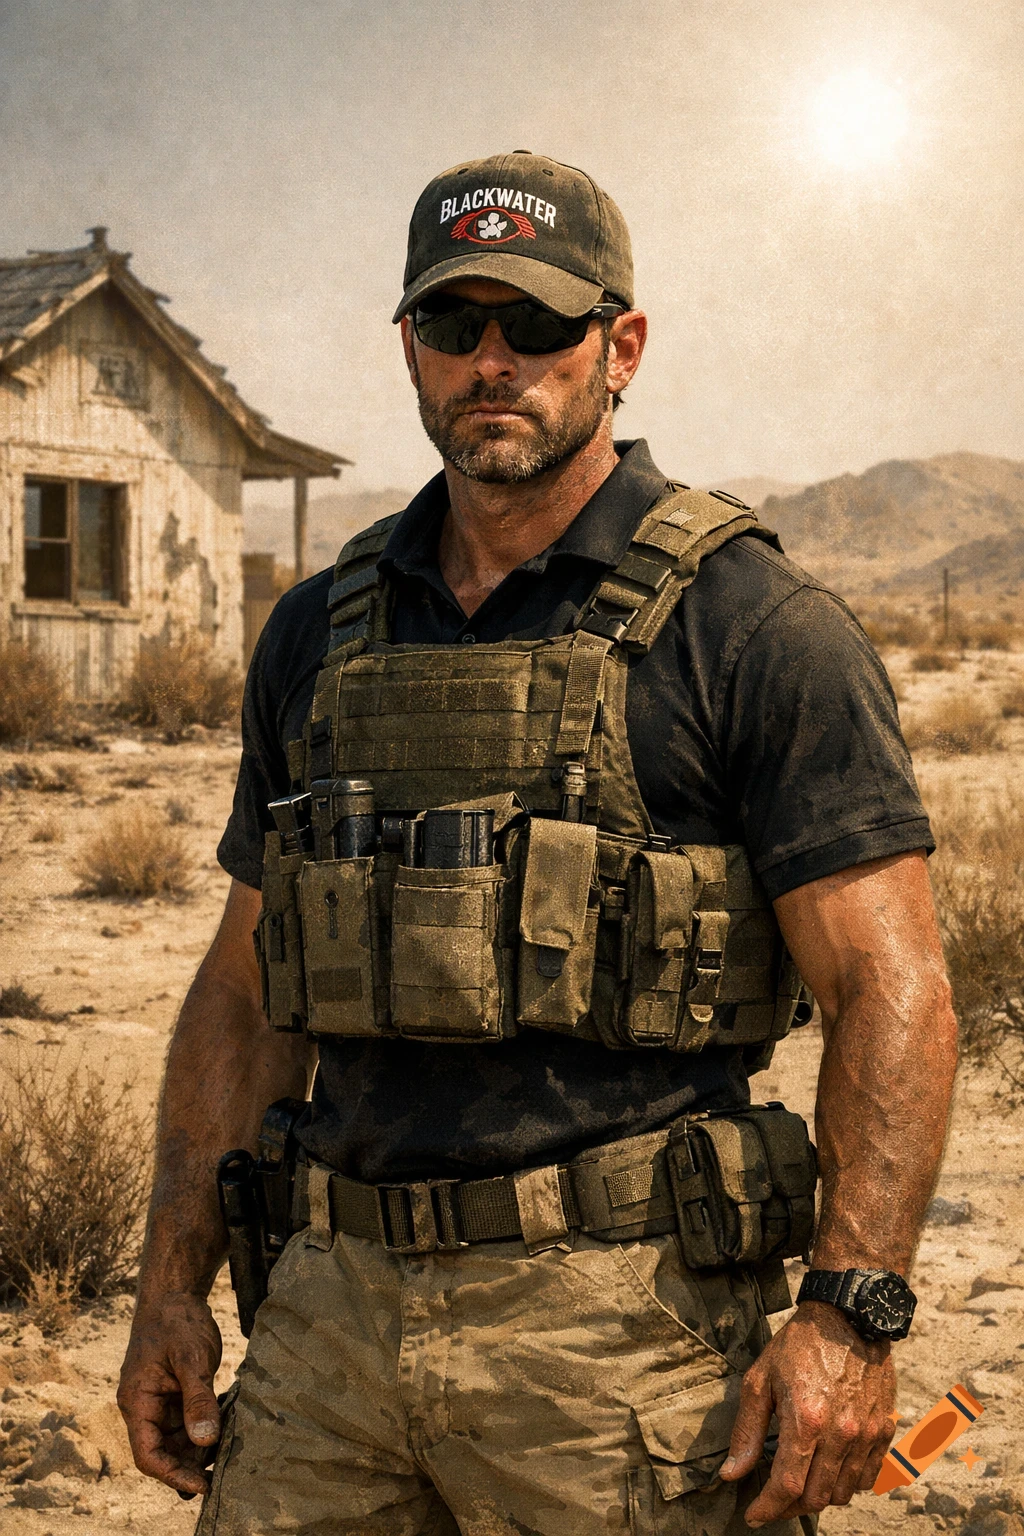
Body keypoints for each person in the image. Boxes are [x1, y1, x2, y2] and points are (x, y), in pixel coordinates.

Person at [118, 152, 958, 1536]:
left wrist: (851, 1316)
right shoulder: (318, 631)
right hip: (327, 1328)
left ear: (620, 347)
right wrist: (170, 1285)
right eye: (456, 324)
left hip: (618, 1342)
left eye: (540, 323)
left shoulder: (754, 627)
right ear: (411, 348)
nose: (492, 360)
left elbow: (894, 986)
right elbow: (245, 986)